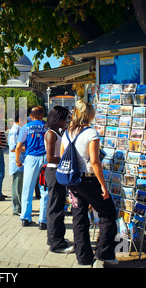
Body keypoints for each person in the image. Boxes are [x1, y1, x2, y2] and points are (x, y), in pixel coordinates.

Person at [60, 100, 118, 266]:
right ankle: (104, 253)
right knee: (108, 213)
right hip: (89, 180)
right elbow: (95, 161)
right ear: (89, 115)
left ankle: (83, 257)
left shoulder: (67, 133)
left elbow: (62, 155)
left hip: (73, 180)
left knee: (79, 217)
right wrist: (103, 186)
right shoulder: (91, 133)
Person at [44, 105, 74, 253]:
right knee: (55, 208)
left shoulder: (57, 132)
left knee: (56, 206)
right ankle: (56, 243)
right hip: (54, 171)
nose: (66, 121)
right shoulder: (51, 133)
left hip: (57, 171)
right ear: (58, 119)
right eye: (65, 118)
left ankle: (54, 238)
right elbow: (50, 157)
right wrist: (66, 159)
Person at [15, 106, 49, 228]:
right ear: (43, 115)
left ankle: (25, 217)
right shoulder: (47, 127)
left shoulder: (26, 127)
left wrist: (17, 160)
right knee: (44, 189)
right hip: (45, 159)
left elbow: (18, 147)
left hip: (30, 159)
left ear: (31, 116)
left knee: (27, 188)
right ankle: (43, 220)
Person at [8, 110, 26, 215]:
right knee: (17, 186)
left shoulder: (20, 129)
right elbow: (13, 148)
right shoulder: (15, 130)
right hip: (17, 162)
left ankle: (19, 206)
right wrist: (26, 148)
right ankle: (16, 208)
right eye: (25, 120)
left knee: (20, 186)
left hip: (20, 161)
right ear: (20, 120)